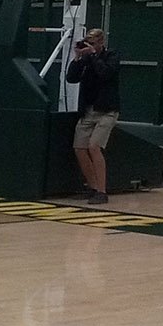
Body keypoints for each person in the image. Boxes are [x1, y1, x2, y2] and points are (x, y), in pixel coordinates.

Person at [63, 28, 120, 204]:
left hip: (106, 111)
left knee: (94, 146)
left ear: (101, 43)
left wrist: (94, 56)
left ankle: (102, 191)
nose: (90, 47)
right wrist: (78, 58)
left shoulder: (111, 56)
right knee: (79, 148)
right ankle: (93, 187)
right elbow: (71, 78)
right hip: (88, 110)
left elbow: (106, 74)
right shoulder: (86, 60)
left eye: (93, 43)